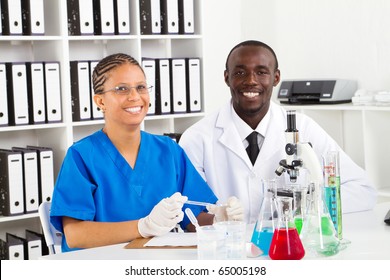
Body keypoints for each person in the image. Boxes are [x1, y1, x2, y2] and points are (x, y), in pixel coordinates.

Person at [50, 53, 243, 252]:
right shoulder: (81, 156)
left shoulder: (168, 151)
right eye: (121, 89)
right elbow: (75, 235)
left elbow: (192, 219)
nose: (135, 96)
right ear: (100, 102)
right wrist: (143, 226)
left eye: (141, 87)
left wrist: (219, 218)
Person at [179, 40, 377, 224]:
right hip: (227, 248)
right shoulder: (197, 137)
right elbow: (187, 211)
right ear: (226, 78)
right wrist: (219, 218)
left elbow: (362, 190)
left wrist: (301, 204)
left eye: (261, 72)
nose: (251, 81)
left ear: (276, 78)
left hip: (289, 246)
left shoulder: (304, 128)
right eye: (240, 73)